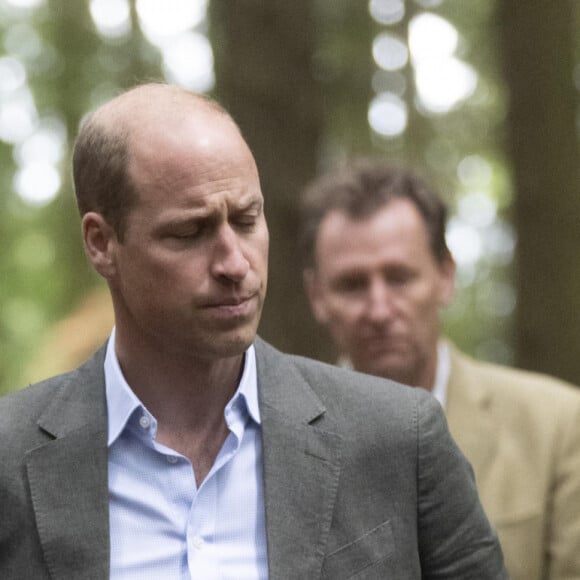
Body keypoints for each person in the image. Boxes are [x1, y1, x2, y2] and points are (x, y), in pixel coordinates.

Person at [0, 84, 506, 579]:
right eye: (190, 232)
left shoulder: (398, 439)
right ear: (101, 243)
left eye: (246, 220)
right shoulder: (10, 459)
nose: (234, 263)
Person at [299, 159, 580, 580]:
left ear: (445, 276)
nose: (379, 309)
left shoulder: (556, 424)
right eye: (353, 284)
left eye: (399, 277)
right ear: (317, 295)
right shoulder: (277, 435)